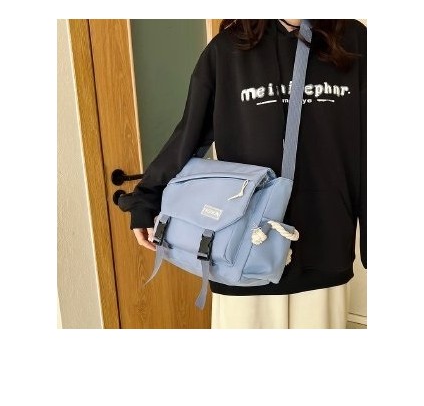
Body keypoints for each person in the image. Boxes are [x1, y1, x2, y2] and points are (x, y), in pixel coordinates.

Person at [118, 19, 367, 329]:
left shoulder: (352, 40)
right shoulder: (228, 50)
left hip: (324, 244)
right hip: (240, 249)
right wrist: (146, 199)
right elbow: (189, 134)